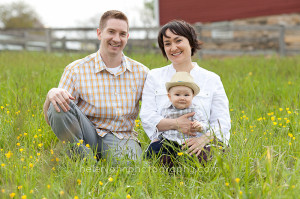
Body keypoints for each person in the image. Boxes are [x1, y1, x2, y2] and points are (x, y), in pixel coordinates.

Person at [43, 10, 149, 161]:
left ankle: (89, 158)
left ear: (127, 37)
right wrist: (51, 94)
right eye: (111, 32)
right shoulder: (76, 69)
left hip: (121, 137)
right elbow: (56, 116)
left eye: (122, 34)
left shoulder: (142, 72)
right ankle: (85, 161)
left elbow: (154, 111)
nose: (116, 39)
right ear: (99, 33)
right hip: (86, 134)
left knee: (130, 168)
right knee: (58, 104)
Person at [140, 20, 231, 165]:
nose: (173, 47)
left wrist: (203, 139)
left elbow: (222, 121)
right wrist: (175, 124)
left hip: (202, 141)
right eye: (167, 43)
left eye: (178, 40)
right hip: (168, 142)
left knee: (203, 160)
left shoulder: (211, 79)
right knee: (160, 161)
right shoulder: (154, 76)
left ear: (191, 42)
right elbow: (147, 115)